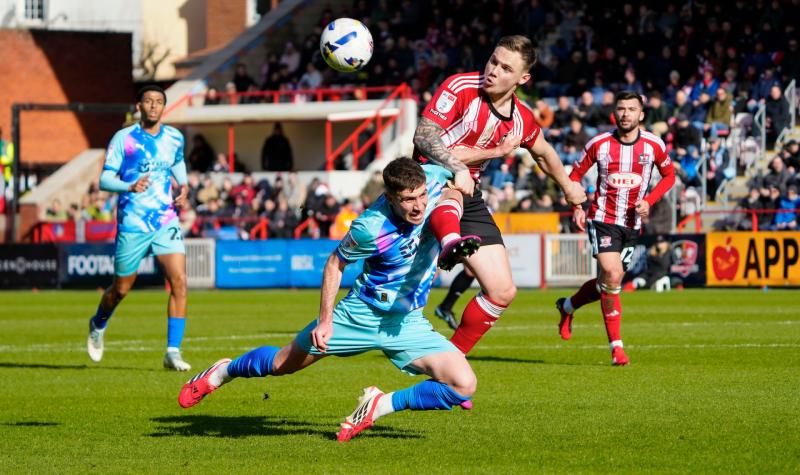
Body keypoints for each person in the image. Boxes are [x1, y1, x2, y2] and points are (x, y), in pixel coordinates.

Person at [178, 158, 477, 442]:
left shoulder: (435, 177)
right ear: (389, 197)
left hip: (407, 321)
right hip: (361, 315)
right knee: (282, 364)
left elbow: (460, 170)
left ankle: (379, 405)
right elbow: (335, 264)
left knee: (463, 384)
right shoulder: (370, 228)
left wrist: (468, 170)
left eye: (422, 196)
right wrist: (325, 320)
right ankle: (221, 372)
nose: (420, 206)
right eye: (408, 200)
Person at [413, 35, 586, 354]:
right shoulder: (461, 86)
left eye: (506, 68)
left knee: (502, 290)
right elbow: (423, 138)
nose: (493, 70)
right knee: (382, 302)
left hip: (468, 193)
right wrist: (486, 154)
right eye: (493, 60)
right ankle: (449, 244)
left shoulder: (521, 118)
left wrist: (569, 187)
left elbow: (544, 152)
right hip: (427, 181)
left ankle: (448, 363)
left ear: (523, 79)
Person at [555, 91, 676, 366]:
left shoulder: (653, 145)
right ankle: (617, 348)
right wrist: (577, 206)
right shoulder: (599, 144)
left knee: (606, 284)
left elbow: (669, 176)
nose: (625, 114)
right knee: (612, 274)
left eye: (631, 109)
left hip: (632, 224)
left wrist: (649, 201)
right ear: (614, 113)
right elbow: (574, 176)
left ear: (641, 114)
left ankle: (567, 306)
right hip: (602, 219)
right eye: (621, 109)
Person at [86, 85, 192, 371]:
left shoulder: (174, 137)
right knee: (121, 289)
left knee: (179, 280)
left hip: (165, 220)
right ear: (139, 106)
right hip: (133, 222)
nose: (154, 105)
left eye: (159, 101)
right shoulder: (124, 138)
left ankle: (172, 351)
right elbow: (105, 179)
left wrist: (183, 186)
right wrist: (129, 185)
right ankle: (98, 323)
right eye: (148, 101)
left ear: (164, 107)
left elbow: (177, 162)